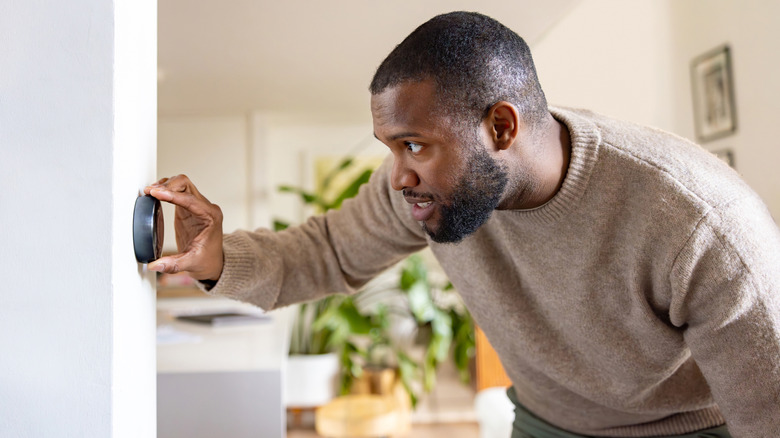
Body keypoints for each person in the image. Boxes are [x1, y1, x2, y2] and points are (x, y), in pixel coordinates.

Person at [145, 12, 780, 438]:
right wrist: (218, 259)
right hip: (541, 423)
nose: (397, 176)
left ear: (501, 128)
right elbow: (328, 251)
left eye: (414, 145)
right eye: (390, 147)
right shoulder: (423, 191)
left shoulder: (700, 223)